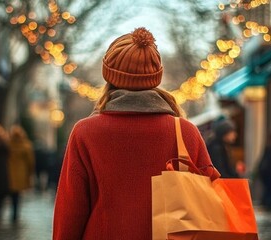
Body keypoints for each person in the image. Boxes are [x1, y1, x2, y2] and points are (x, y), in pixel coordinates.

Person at [52, 27, 219, 240]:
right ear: (155, 76)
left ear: (109, 75)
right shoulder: (185, 132)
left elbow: (70, 212)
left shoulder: (85, 133)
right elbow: (210, 202)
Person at [7, 125, 35, 222]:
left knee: (10, 193)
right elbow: (30, 161)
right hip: (21, 173)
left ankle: (8, 213)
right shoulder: (26, 145)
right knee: (17, 195)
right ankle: (15, 214)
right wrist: (30, 172)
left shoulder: (8, 144)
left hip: (9, 172)